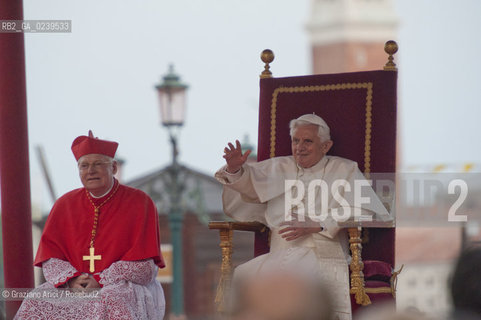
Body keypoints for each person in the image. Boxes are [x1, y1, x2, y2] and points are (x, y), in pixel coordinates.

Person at [215, 114, 392, 320]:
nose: (299, 147)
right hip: (280, 252)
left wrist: (319, 223)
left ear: (326, 146)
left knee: (293, 283)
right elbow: (249, 188)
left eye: (308, 141)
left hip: (323, 251)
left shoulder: (345, 169)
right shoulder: (278, 167)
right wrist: (236, 170)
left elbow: (366, 209)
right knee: (243, 276)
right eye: (295, 141)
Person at [15, 131, 166, 320]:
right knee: (36, 299)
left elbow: (145, 268)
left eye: (98, 164)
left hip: (123, 285)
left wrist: (101, 279)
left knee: (111, 298)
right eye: (84, 166)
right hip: (75, 285)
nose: (90, 171)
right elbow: (51, 259)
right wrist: (72, 279)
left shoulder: (140, 202)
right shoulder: (64, 204)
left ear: (114, 168)